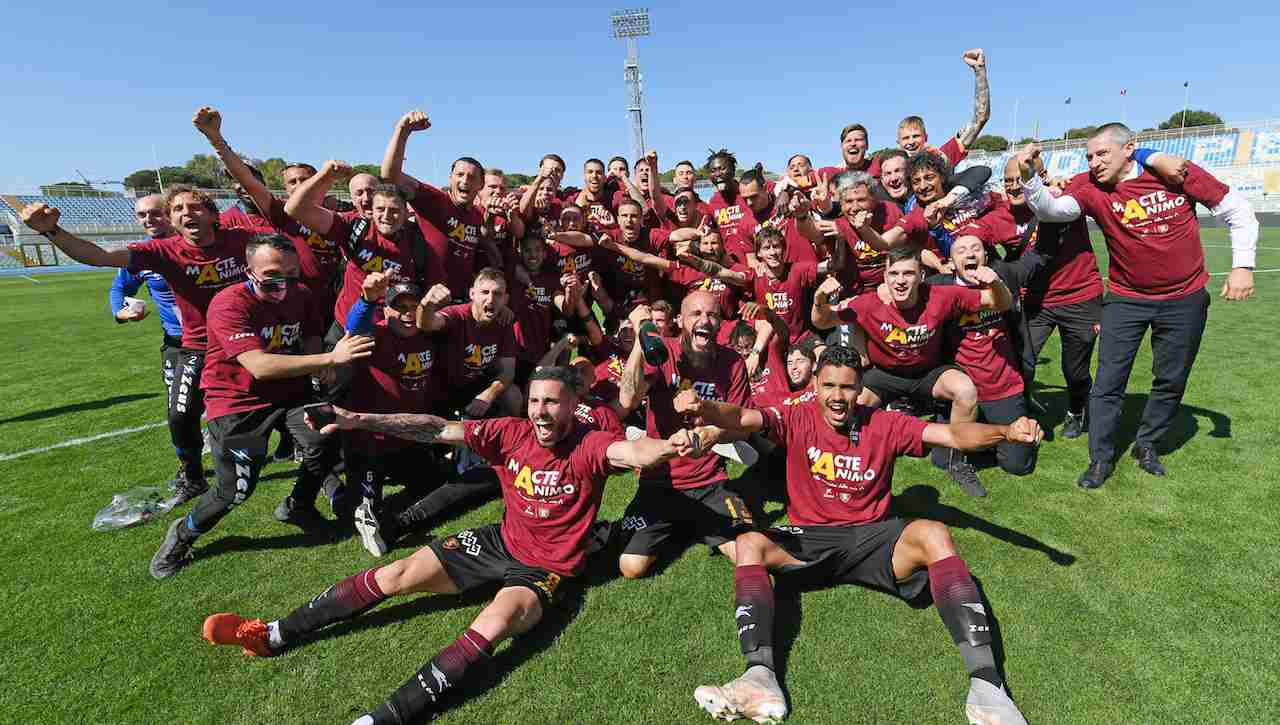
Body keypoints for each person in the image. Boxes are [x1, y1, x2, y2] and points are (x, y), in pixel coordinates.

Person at [198, 367, 695, 725]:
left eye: (554, 402)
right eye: (537, 401)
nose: (543, 411)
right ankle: (270, 634)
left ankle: (380, 720)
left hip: (545, 569)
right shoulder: (509, 432)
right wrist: (356, 419)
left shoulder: (589, 443)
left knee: (494, 623)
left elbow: (630, 451)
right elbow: (436, 428)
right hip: (500, 542)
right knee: (394, 575)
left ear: (572, 405)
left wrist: (670, 447)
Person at [677, 346, 1039, 725]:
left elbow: (954, 434)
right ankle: (759, 679)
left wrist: (1006, 431)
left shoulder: (885, 423)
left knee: (934, 533)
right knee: (750, 542)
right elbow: (742, 416)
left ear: (860, 388)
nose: (837, 397)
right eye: (829, 385)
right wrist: (706, 409)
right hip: (810, 539)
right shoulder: (793, 416)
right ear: (815, 385)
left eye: (847, 387)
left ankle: (987, 688)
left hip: (873, 541)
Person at [1015, 125, 1258, 487]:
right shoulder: (1089, 185)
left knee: (1171, 378)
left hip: (1185, 298)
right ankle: (1099, 459)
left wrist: (1243, 266)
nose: (1094, 163)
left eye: (1102, 154)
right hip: (1127, 299)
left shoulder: (1173, 172)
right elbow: (1052, 210)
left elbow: (1236, 209)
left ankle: (1147, 445)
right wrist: (1029, 177)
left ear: (1129, 149)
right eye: (1089, 156)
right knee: (1108, 382)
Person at [148, 234, 375, 578]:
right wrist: (329, 357)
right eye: (272, 274)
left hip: (291, 393)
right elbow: (259, 365)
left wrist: (321, 363)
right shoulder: (229, 303)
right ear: (248, 270)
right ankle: (183, 534)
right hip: (237, 400)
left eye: (291, 273)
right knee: (235, 491)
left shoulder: (302, 295)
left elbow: (309, 334)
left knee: (326, 435)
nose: (283, 282)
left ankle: (298, 506)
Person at [21, 185, 260, 503]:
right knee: (180, 415)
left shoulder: (242, 241)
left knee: (269, 402)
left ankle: (302, 450)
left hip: (247, 339)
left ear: (214, 214)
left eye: (195, 207)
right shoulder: (163, 252)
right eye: (177, 209)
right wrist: (52, 230)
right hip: (198, 345)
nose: (186, 213)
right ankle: (193, 476)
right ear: (171, 221)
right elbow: (99, 256)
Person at [812, 246, 1013, 496]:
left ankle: (957, 461)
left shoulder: (941, 295)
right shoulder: (868, 304)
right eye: (894, 274)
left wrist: (995, 283)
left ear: (921, 276)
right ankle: (845, 465)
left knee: (966, 390)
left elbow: (1001, 303)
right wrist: (819, 300)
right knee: (849, 403)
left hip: (927, 372)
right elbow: (822, 321)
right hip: (885, 374)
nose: (900, 281)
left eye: (908, 273)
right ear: (884, 277)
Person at [615, 293, 755, 579]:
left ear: (720, 323)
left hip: (709, 483)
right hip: (659, 482)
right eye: (696, 314)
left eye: (712, 315)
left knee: (750, 550)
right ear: (680, 320)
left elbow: (744, 424)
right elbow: (628, 399)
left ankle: (696, 523)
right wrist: (641, 340)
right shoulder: (661, 351)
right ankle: (689, 524)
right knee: (630, 566)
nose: (704, 320)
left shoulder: (732, 363)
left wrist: (712, 435)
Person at [195, 106, 344, 329]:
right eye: (292, 182)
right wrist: (216, 139)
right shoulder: (283, 215)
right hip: (293, 306)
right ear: (284, 189)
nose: (299, 185)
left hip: (337, 307)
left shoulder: (340, 217)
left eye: (305, 179)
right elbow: (248, 181)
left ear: (318, 181)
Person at [924, 234, 1054, 478]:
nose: (970, 254)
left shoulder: (1002, 279)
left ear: (985, 256)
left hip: (1003, 388)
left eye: (976, 249)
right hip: (963, 392)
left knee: (1017, 465)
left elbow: (1037, 257)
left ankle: (997, 434)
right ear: (951, 262)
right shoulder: (937, 288)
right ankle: (983, 437)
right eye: (961, 250)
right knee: (943, 460)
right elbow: (904, 283)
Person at [340, 272, 445, 553]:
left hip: (408, 438)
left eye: (414, 307)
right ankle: (334, 489)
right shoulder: (377, 334)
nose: (409, 314)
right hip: (372, 441)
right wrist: (366, 300)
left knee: (433, 485)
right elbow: (355, 326)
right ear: (385, 310)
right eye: (400, 308)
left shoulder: (429, 334)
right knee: (357, 508)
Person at [107, 194, 192, 479]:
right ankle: (191, 472)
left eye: (155, 213)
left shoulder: (197, 245)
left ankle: (289, 441)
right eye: (142, 215)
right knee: (178, 415)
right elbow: (120, 289)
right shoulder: (141, 255)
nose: (148, 220)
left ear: (169, 213)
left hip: (216, 340)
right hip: (176, 343)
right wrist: (121, 312)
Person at [380, 110, 491, 302]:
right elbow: (390, 177)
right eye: (459, 175)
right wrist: (402, 131)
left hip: (461, 300)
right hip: (426, 299)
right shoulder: (435, 200)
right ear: (450, 178)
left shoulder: (476, 215)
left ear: (480, 185)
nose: (465, 180)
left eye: (472, 177)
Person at [416, 267, 520, 418]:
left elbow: (508, 371)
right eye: (485, 292)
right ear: (472, 294)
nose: (490, 299)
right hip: (443, 389)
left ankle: (507, 435)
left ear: (505, 299)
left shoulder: (504, 323)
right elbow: (425, 324)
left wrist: (487, 396)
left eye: (497, 294)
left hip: (477, 387)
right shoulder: (457, 315)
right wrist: (427, 304)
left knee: (513, 395)